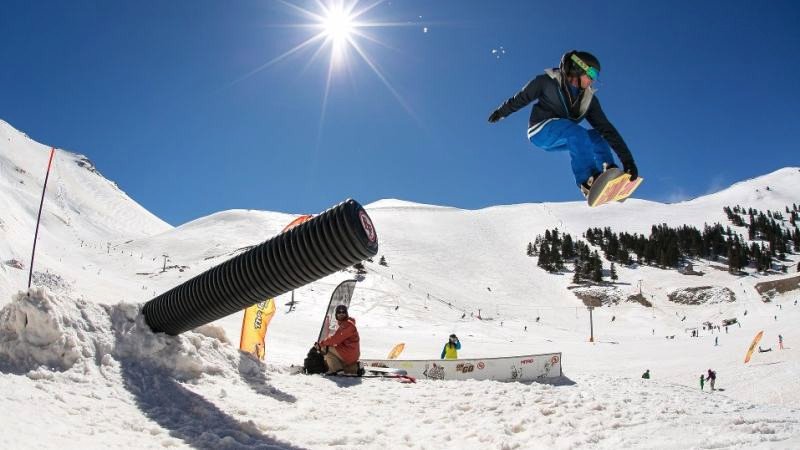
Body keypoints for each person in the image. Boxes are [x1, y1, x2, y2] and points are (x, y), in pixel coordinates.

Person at [488, 50, 638, 197]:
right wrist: (501, 112)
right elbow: (521, 98)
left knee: (597, 136)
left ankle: (609, 171)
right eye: (592, 74)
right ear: (577, 68)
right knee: (577, 133)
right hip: (540, 130)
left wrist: (628, 161)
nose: (593, 80)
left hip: (564, 134)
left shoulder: (588, 100)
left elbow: (607, 129)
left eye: (596, 77)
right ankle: (588, 180)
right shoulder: (546, 82)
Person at [316, 304, 360, 375]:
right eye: (339, 312)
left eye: (343, 312)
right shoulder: (345, 324)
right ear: (336, 314)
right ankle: (341, 369)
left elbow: (335, 339)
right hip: (350, 352)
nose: (341, 314)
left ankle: (337, 370)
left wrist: (321, 343)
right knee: (330, 348)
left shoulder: (347, 325)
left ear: (346, 314)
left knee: (324, 348)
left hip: (349, 353)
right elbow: (337, 339)